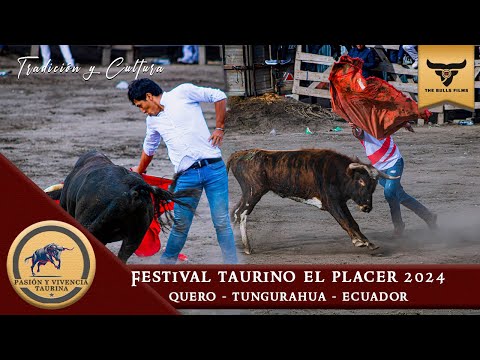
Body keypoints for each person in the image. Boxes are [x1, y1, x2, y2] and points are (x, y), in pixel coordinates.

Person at [127, 78, 238, 264]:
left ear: (149, 96)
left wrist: (219, 128)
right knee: (181, 225)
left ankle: (232, 267)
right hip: (186, 177)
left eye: (141, 105)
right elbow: (149, 148)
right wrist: (140, 170)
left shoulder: (183, 92)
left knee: (221, 222)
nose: (142, 110)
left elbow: (218, 96)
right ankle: (166, 267)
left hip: (214, 170)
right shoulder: (152, 122)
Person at [349, 122, 437, 237]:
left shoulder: (380, 122)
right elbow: (358, 134)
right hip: (378, 169)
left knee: (390, 193)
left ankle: (398, 225)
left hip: (394, 162)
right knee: (399, 195)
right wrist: (355, 127)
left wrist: (405, 124)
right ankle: (428, 216)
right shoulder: (362, 128)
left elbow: (393, 120)